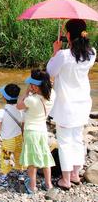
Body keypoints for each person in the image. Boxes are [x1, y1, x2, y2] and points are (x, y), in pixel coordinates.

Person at [46, 19, 96, 190]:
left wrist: (55, 51)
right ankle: (75, 174)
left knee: (65, 141)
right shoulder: (92, 53)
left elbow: (50, 72)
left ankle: (65, 180)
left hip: (66, 104)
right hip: (83, 103)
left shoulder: (64, 55)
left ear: (68, 35)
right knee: (77, 139)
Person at [17, 69, 56, 194]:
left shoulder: (31, 100)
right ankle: (48, 184)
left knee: (32, 160)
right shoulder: (52, 95)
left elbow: (18, 105)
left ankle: (33, 186)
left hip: (31, 131)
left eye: (31, 84)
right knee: (45, 156)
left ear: (35, 86)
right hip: (42, 131)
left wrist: (26, 92)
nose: (30, 86)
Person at [0, 84, 25, 187]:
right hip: (19, 138)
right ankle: (21, 174)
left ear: (4, 97)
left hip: (8, 140)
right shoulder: (21, 110)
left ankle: (3, 178)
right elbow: (23, 125)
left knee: (5, 158)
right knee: (19, 155)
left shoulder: (1, 112)